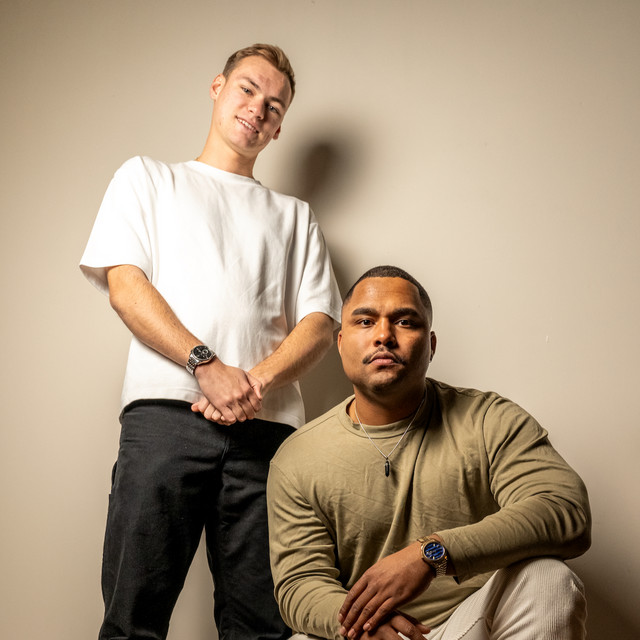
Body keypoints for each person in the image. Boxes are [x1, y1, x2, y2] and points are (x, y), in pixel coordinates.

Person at [80, 44, 342, 640]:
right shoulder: (149, 178)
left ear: (279, 128)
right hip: (165, 416)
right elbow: (126, 287)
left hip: (268, 435)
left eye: (275, 106)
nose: (258, 108)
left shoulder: (295, 216)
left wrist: (253, 383)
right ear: (217, 87)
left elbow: (321, 323)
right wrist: (206, 365)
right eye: (248, 89)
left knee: (263, 626)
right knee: (133, 617)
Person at [267, 265, 591, 640]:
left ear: (431, 345)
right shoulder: (298, 456)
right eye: (366, 322)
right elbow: (300, 583)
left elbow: (564, 508)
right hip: (371, 634)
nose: (384, 336)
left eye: (405, 322)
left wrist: (431, 555)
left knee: (549, 578)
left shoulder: (488, 419)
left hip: (473, 626)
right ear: (341, 343)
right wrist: (361, 627)